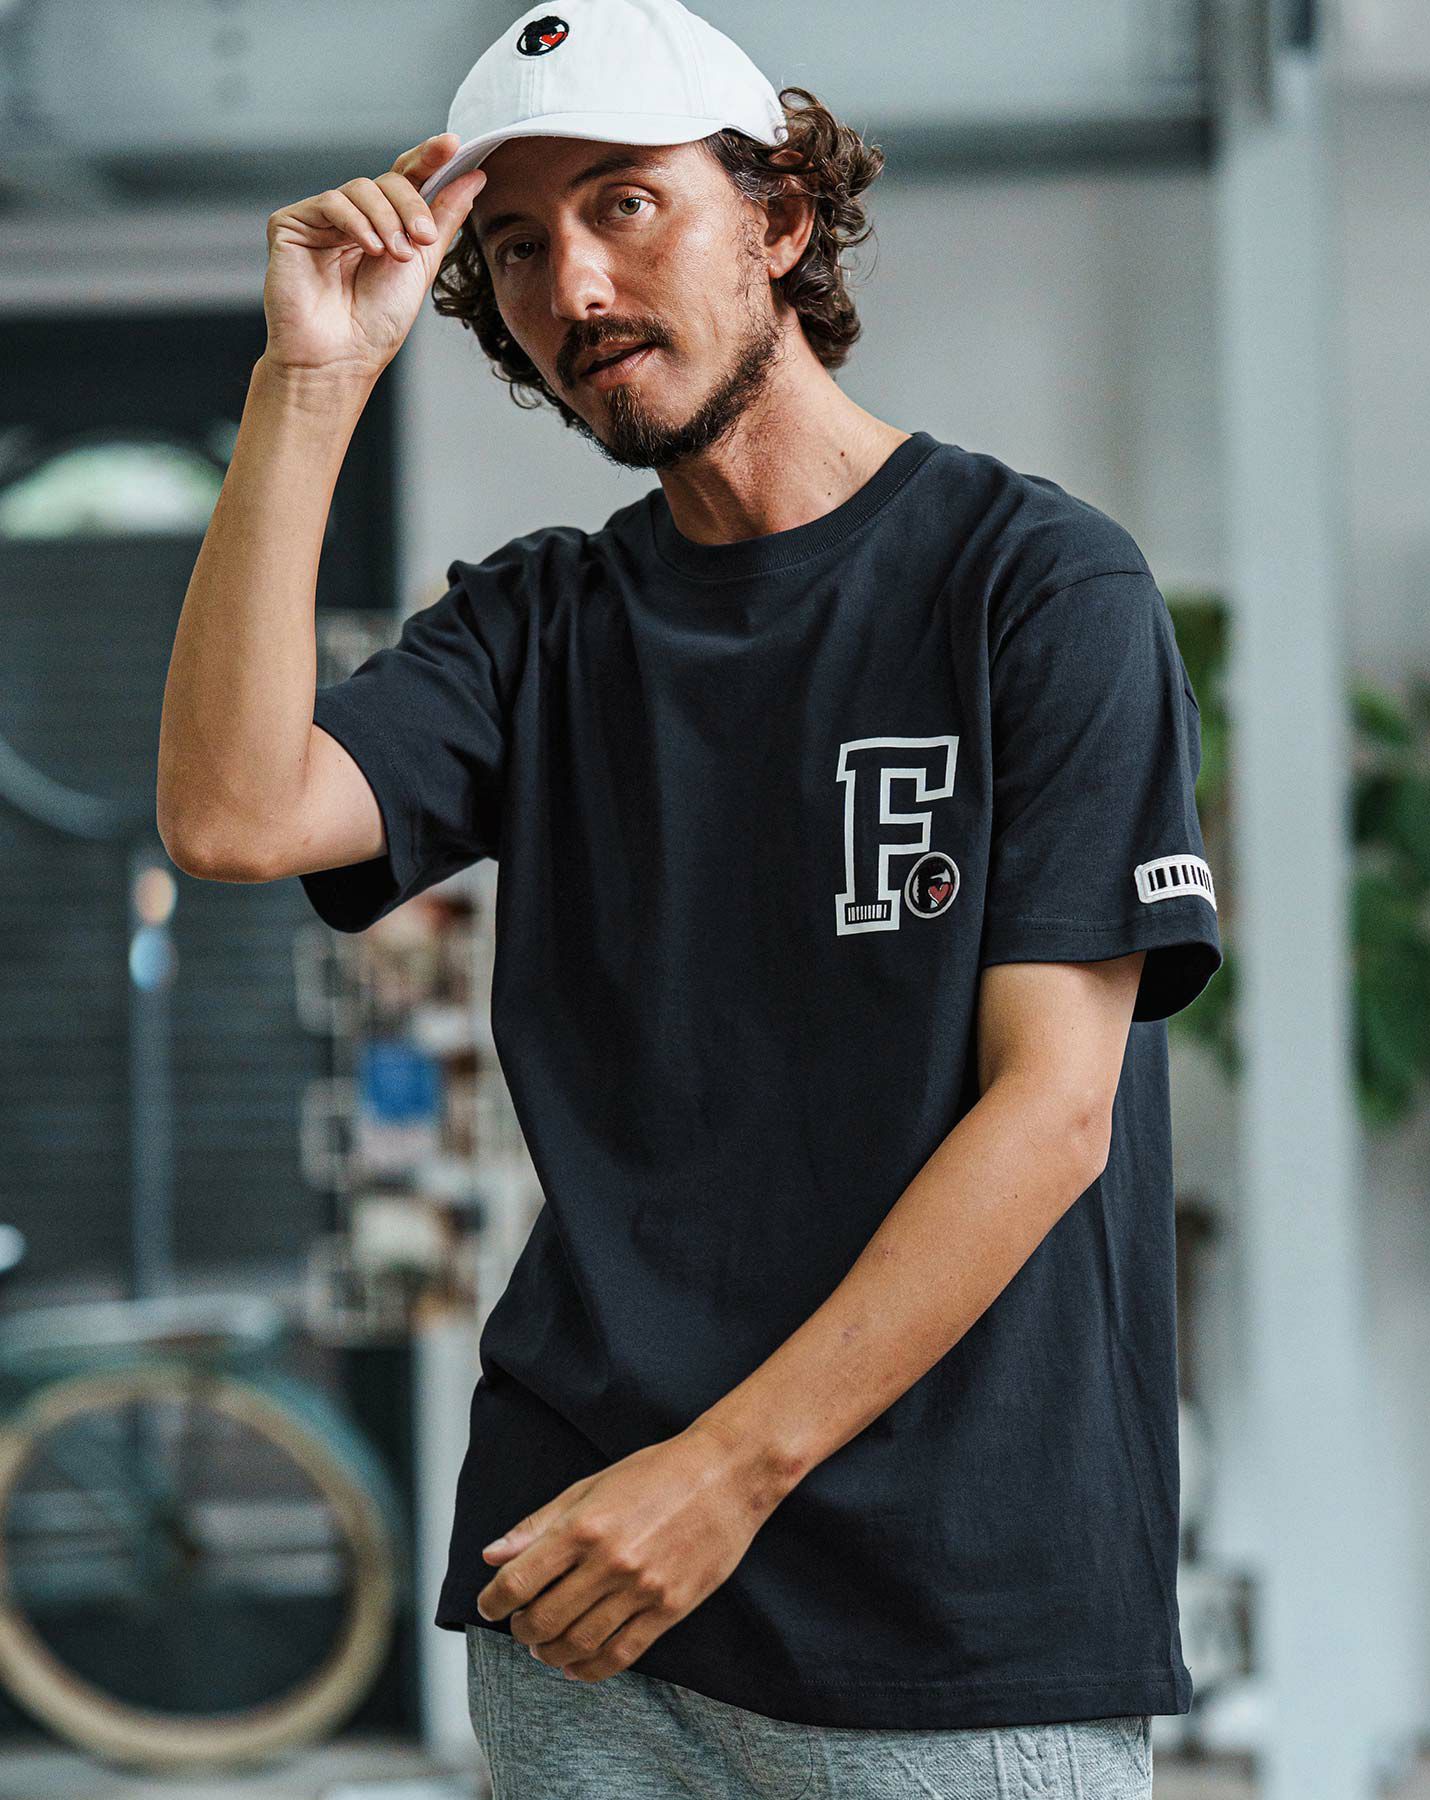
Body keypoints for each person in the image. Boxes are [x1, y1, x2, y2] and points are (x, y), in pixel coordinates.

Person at [158, 0, 1222, 1792]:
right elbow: (233, 813)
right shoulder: (536, 624)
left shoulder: (1036, 586)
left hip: (942, 1620)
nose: (570, 284)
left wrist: (720, 1477)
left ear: (781, 218)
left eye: (626, 205)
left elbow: (1055, 1113)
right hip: (584, 1590)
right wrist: (310, 385)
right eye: (515, 246)